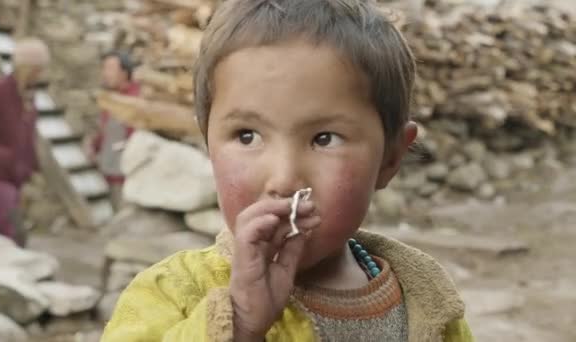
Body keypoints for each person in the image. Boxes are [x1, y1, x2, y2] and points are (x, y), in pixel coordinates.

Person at [101, 1, 473, 341]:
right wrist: (239, 324)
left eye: (325, 138)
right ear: (208, 146)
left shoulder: (427, 302)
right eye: (247, 136)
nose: (283, 180)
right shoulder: (171, 293)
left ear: (391, 158)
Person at [0, 38, 50, 247]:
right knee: (12, 229)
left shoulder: (29, 96)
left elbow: (27, 135)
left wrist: (34, 167)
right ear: (26, 67)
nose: (39, 74)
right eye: (36, 69)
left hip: (17, 174)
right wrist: (1, 155)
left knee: (1, 226)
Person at [90, 51, 140, 211]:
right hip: (109, 174)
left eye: (110, 69)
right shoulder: (109, 99)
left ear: (125, 73)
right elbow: (105, 130)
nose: (105, 74)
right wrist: (94, 146)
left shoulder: (137, 99)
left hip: (128, 178)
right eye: (104, 69)